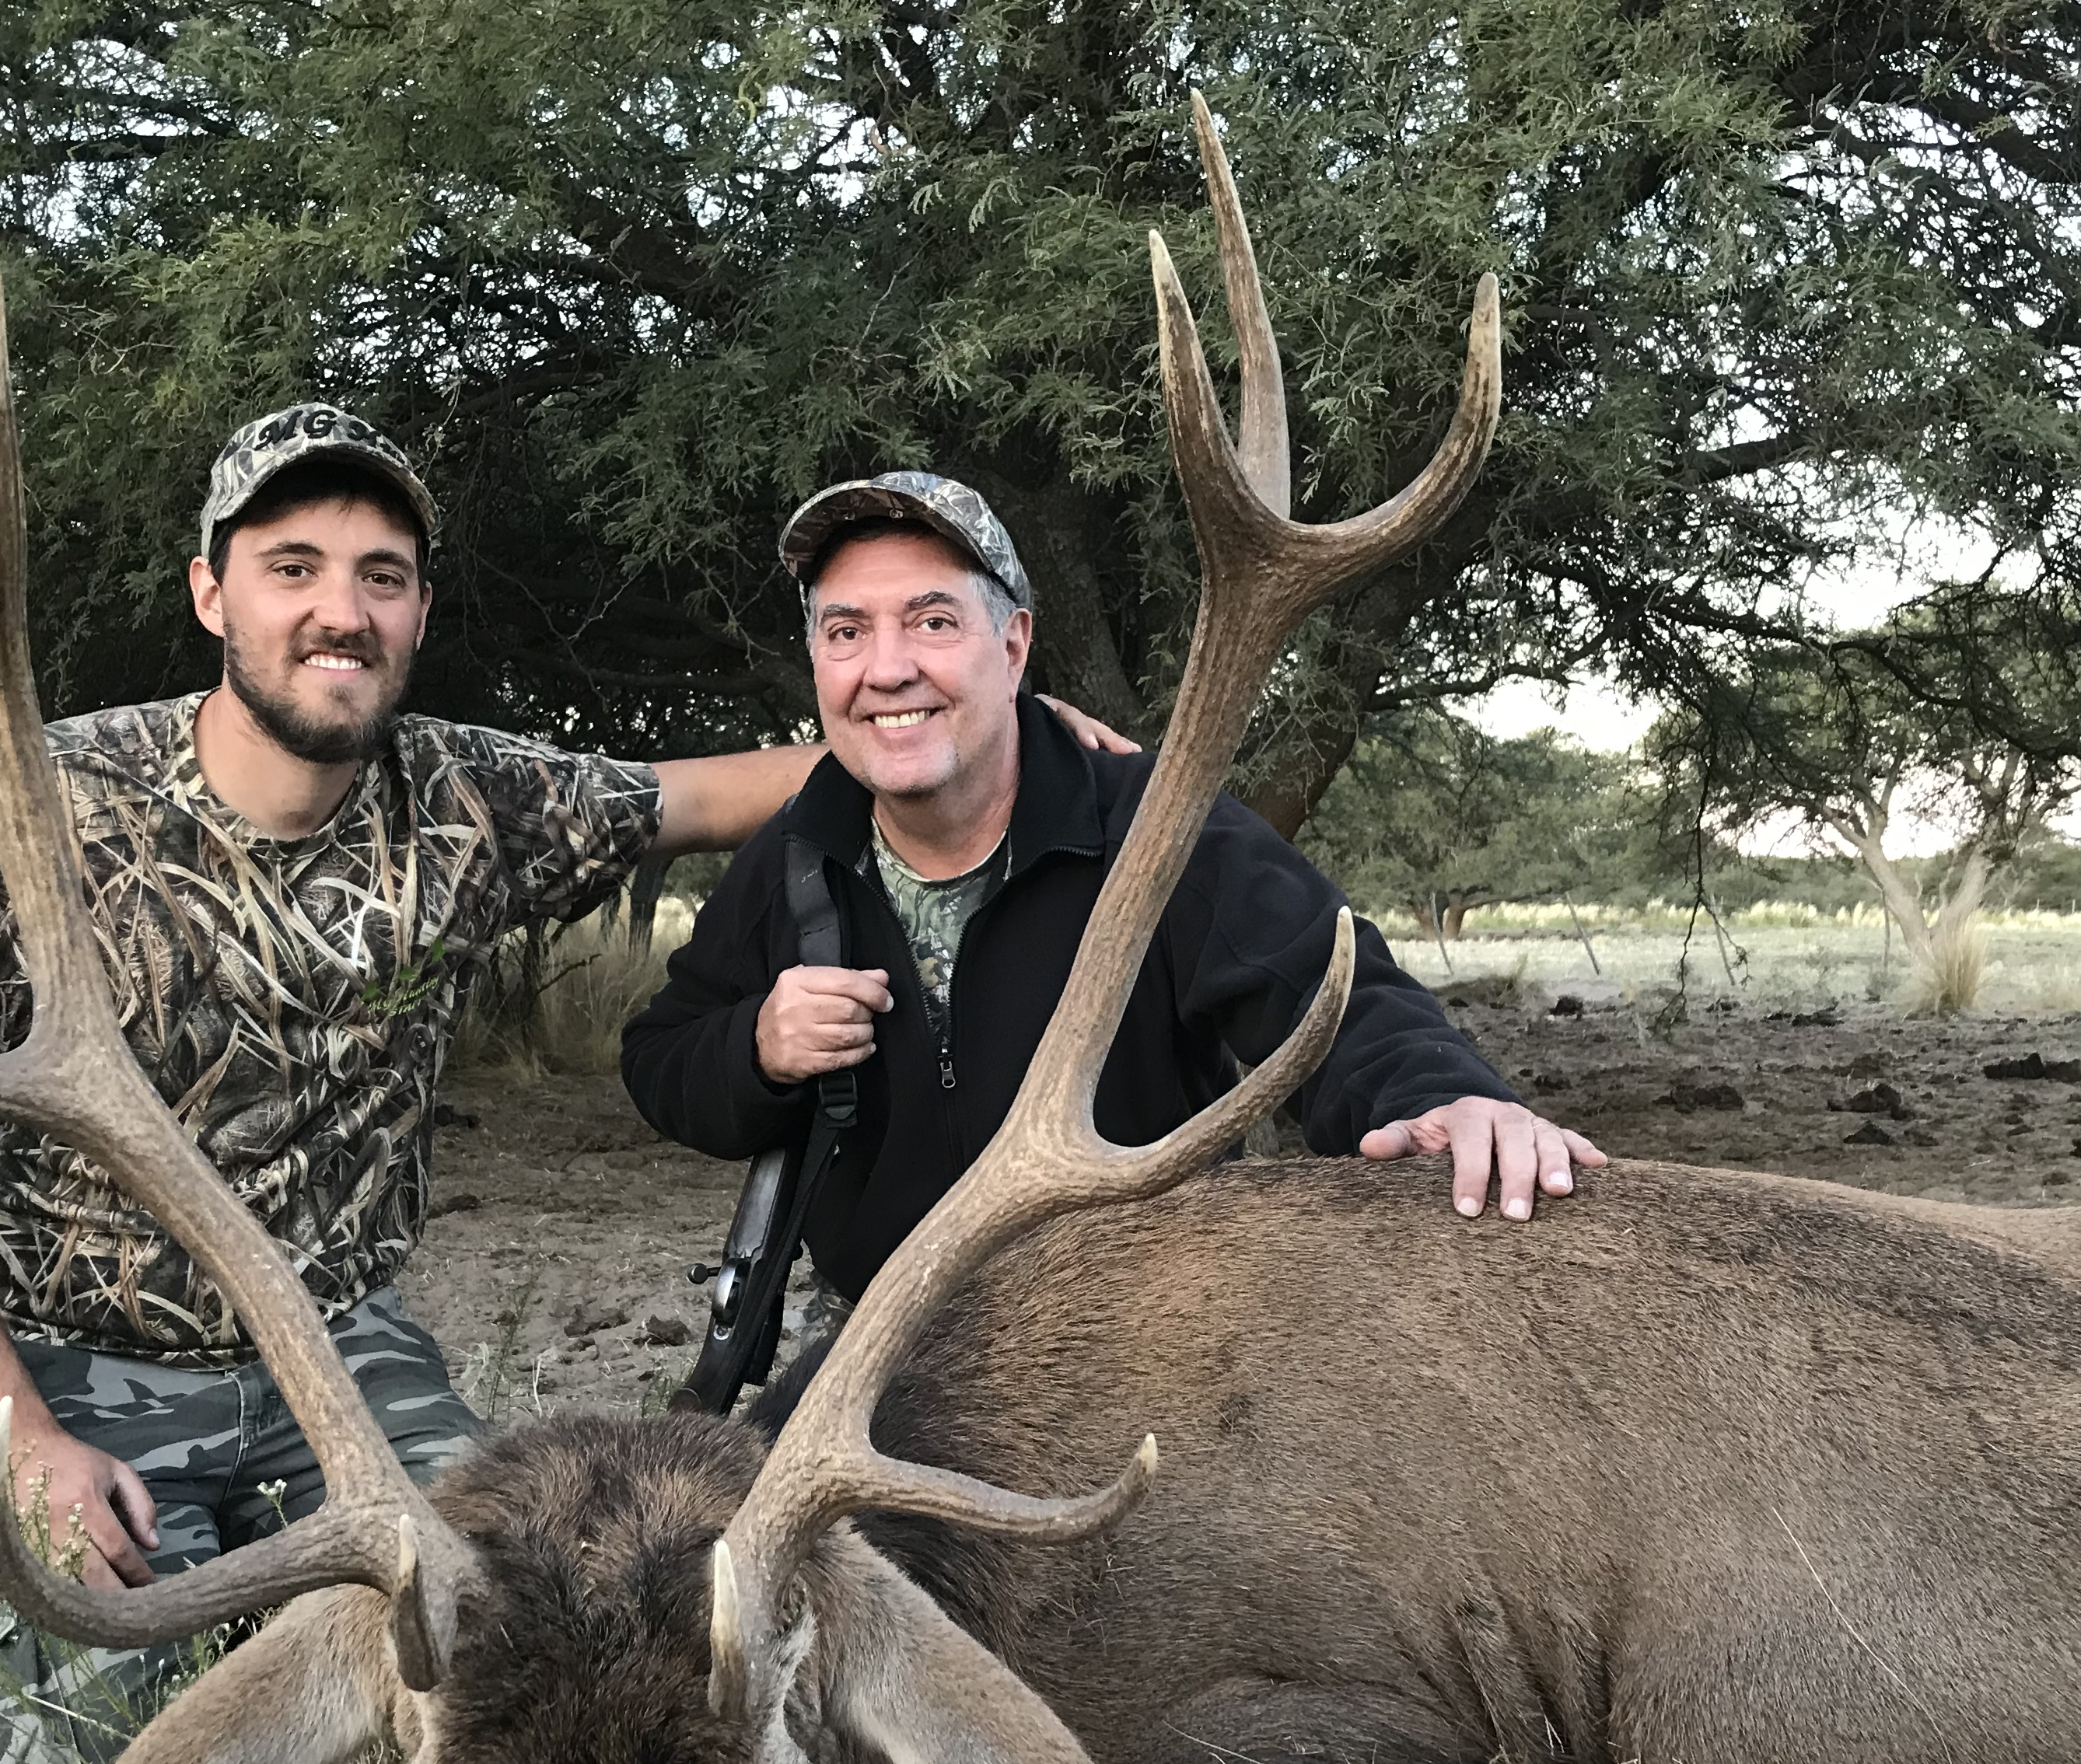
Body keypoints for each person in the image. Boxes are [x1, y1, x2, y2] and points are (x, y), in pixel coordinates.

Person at [0, 409, 1129, 1764]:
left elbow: (708, 793)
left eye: (382, 575)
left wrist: (990, 724)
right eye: (291, 566)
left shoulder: (459, 797)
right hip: (66, 1367)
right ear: (210, 593)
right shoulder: (30, 801)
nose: (339, 611)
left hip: (341, 1355)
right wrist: (23, 1429)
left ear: (420, 609)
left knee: (542, 1689)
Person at [621, 470, 1604, 1337]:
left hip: (1150, 1327)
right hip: (889, 1342)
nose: (887, 669)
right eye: (847, 632)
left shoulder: (1158, 827)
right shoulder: (798, 854)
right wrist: (757, 1048)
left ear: (1012, 648)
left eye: (932, 621)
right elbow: (662, 1060)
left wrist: (1443, 1098)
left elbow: (1331, 990)